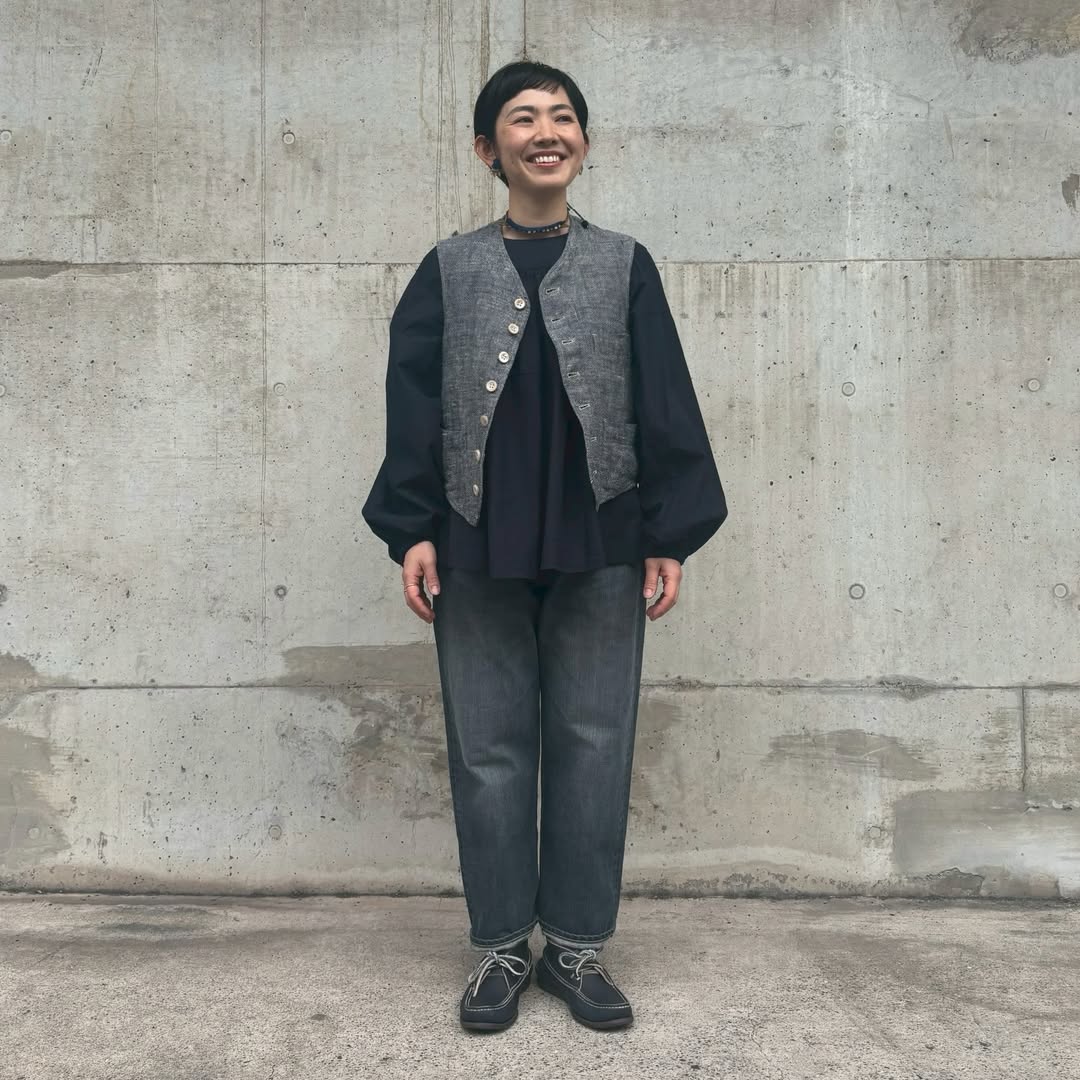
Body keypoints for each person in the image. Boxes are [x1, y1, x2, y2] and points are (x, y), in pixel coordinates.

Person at [362, 60, 727, 1033]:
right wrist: (413, 529)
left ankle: (575, 948)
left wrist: (669, 533)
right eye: (522, 118)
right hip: (473, 537)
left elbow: (663, 395)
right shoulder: (448, 267)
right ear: (489, 148)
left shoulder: (625, 264)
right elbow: (414, 403)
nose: (546, 130)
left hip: (603, 535)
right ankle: (497, 949)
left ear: (584, 143)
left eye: (563, 116)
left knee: (595, 744)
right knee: (487, 751)